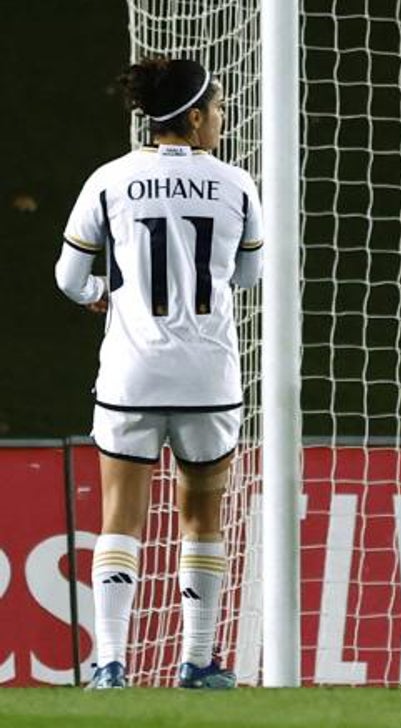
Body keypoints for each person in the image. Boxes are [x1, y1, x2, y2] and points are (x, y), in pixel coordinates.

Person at [55, 58, 264, 689]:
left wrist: (102, 291)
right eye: (220, 108)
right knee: (202, 516)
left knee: (120, 516)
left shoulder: (110, 180)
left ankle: (111, 665)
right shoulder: (237, 184)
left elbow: (68, 278)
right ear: (195, 116)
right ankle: (197, 663)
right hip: (207, 378)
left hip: (132, 373)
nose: (223, 119)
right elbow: (248, 277)